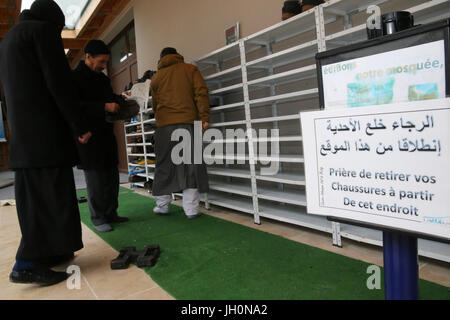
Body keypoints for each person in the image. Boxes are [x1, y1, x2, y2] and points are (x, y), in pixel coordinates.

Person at [0, 0, 92, 286]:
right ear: (53, 21)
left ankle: (52, 252)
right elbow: (58, 82)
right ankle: (26, 264)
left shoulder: (8, 40)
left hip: (24, 136)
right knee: (49, 197)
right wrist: (78, 124)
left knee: (37, 199)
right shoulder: (41, 33)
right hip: (45, 135)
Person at [72, 40, 129, 233]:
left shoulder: (102, 79)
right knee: (96, 179)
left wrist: (122, 98)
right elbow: (74, 106)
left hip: (106, 133)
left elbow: (109, 97)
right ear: (88, 57)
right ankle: (97, 217)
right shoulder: (74, 78)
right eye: (101, 61)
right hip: (87, 136)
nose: (104, 66)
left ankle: (111, 213)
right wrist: (103, 106)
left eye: (106, 62)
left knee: (112, 177)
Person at [150, 47, 210, 218]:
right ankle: (191, 210)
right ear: (177, 55)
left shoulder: (156, 78)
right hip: (188, 123)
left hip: (164, 127)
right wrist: (204, 117)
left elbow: (155, 105)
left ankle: (162, 205)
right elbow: (201, 94)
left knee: (164, 166)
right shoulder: (190, 69)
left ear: (161, 59)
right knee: (191, 166)